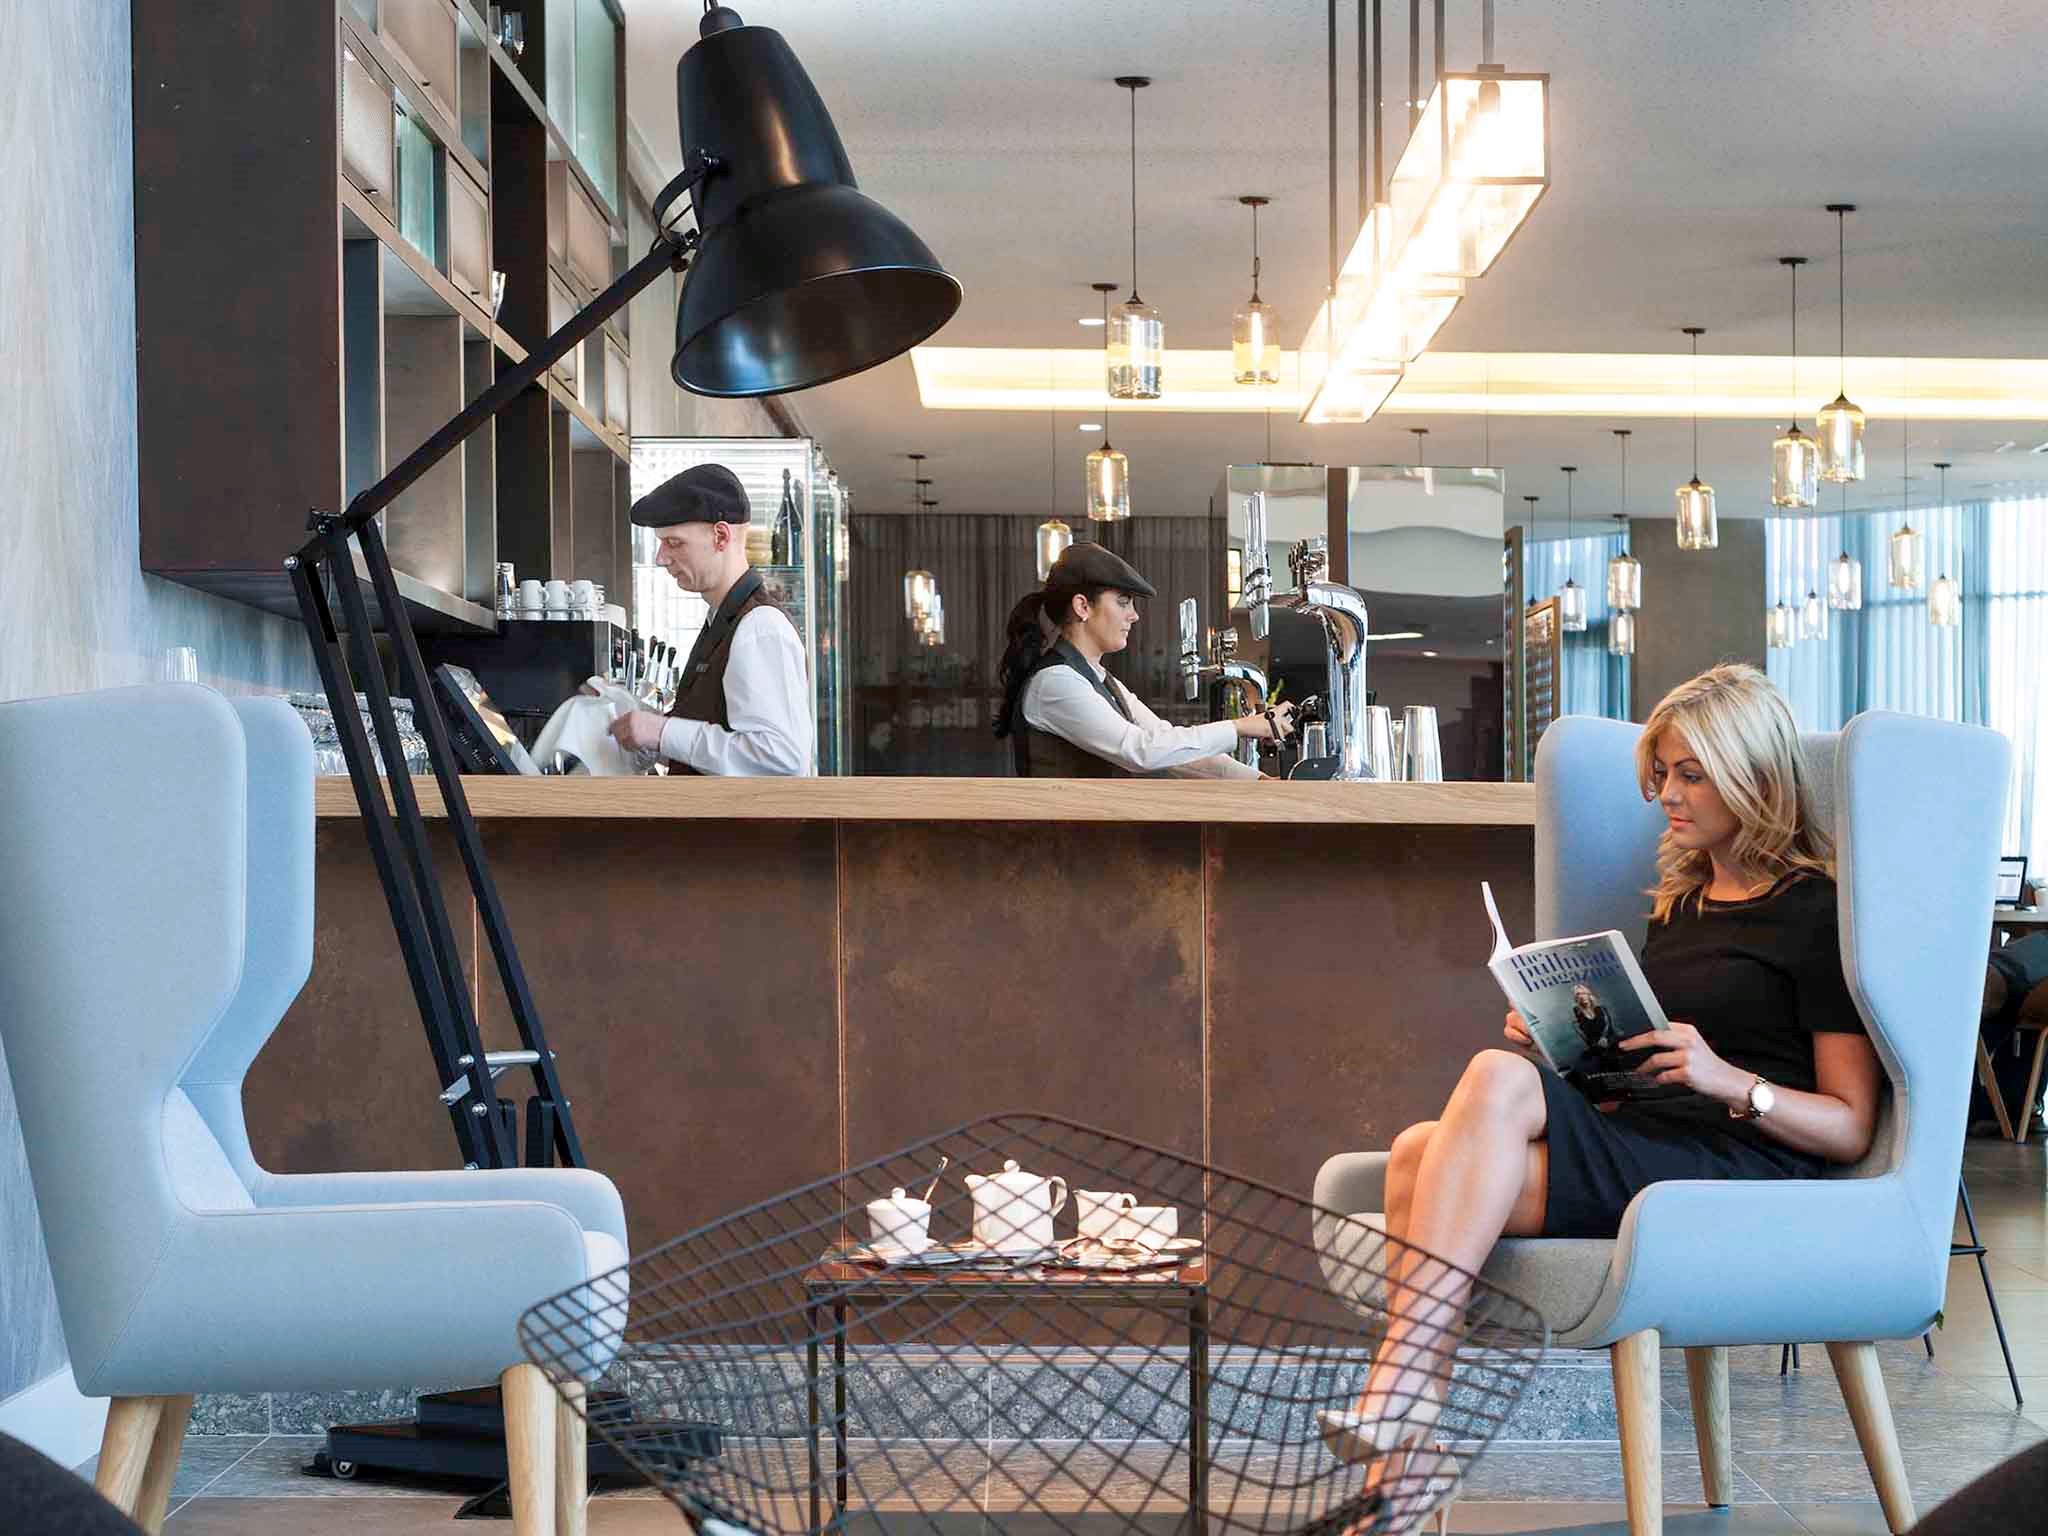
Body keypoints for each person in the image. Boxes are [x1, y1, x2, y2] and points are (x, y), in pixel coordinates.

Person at [1319, 663, 1885, 1523]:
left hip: (1746, 1161)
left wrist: (1730, 1081)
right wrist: (1566, 1045)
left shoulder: (1817, 914)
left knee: (1470, 1102)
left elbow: (1850, 1127)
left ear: (1754, 776)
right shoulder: (1680, 904)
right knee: (1418, 1148)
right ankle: (1410, 1441)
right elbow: (1636, 1081)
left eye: (1691, 774)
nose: (1668, 795)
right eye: (1662, 773)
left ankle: (1406, 1400)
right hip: (1651, 1140)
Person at [992, 542, 1295, 778]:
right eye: (1123, 602)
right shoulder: (1056, 681)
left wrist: (1259, 782)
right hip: (1064, 840)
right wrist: (1239, 727)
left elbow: (1166, 742)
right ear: (1083, 607)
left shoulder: (1102, 680)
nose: (1134, 615)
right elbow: (1141, 751)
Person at [608, 464, 814, 776]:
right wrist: (637, 727)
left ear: (721, 536)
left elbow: (780, 759)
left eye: (674, 542)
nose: (661, 558)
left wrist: (662, 732)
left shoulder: (760, 627)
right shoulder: (723, 620)